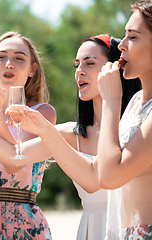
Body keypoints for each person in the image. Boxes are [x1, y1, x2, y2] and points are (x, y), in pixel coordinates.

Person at [0, 33, 141, 240]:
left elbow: (97, 181)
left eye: (89, 63)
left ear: (115, 69)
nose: (79, 71)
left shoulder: (138, 126)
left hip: (132, 229)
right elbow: (12, 158)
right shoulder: (69, 133)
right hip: (90, 229)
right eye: (77, 64)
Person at [0, 32, 57, 239]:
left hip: (22, 223)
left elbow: (14, 163)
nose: (9, 63)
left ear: (32, 69)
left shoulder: (41, 113)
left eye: (19, 58)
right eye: (1, 57)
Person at [97, 0, 152, 238]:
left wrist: (110, 101)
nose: (121, 45)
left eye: (133, 36)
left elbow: (110, 176)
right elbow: (101, 168)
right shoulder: (137, 101)